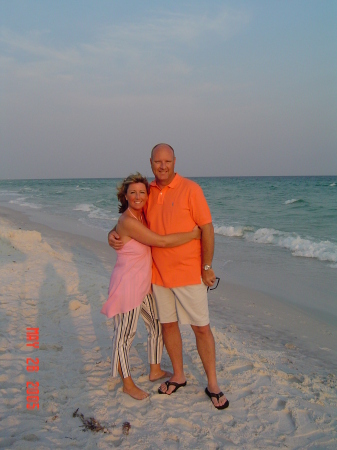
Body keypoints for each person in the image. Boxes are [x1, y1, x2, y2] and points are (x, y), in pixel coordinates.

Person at [108, 145, 229, 410]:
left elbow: (207, 228)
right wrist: (112, 233)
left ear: (175, 161)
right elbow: (131, 217)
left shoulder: (191, 189)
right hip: (158, 277)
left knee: (201, 328)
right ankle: (178, 375)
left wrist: (207, 266)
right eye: (157, 162)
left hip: (188, 273)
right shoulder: (148, 192)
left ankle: (213, 384)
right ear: (151, 163)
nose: (162, 166)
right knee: (168, 326)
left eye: (167, 161)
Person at [101, 172, 201, 400]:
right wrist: (193, 235)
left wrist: (110, 233)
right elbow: (161, 241)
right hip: (127, 285)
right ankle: (127, 383)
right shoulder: (127, 220)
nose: (138, 197)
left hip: (144, 285)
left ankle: (155, 369)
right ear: (124, 196)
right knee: (124, 335)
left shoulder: (141, 216)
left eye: (142, 192)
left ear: (148, 195)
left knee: (156, 325)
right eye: (132, 193)